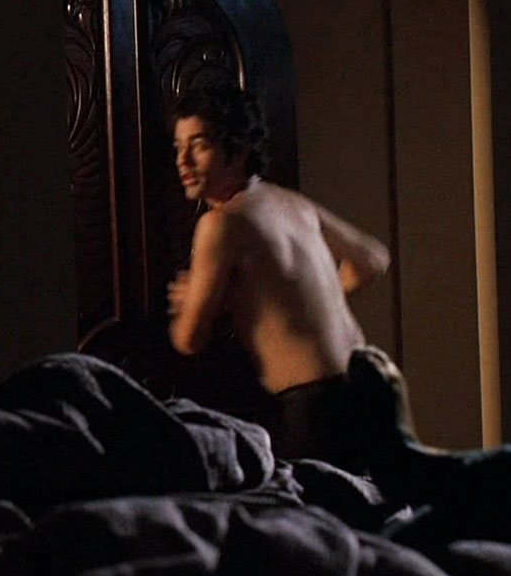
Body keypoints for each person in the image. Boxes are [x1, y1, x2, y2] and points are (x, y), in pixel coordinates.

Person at [166, 82, 391, 466]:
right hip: (368, 386)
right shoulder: (289, 202)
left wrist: (187, 304)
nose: (183, 161)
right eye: (179, 147)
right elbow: (372, 259)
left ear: (238, 150)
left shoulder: (220, 224)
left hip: (315, 408)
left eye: (199, 145)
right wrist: (304, 301)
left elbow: (190, 339)